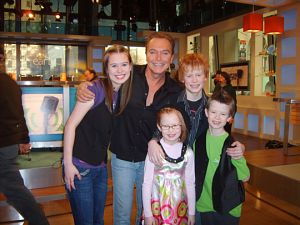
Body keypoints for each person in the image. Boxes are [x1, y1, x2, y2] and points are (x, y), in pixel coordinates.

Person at [76, 32, 244, 225]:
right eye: (153, 52)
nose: (158, 58)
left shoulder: (175, 91)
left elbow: (213, 124)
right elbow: (108, 80)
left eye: (164, 53)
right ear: (146, 54)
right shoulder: (130, 75)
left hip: (156, 159)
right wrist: (86, 85)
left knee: (146, 211)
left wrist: (237, 146)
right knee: (122, 214)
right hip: (123, 155)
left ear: (171, 58)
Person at [63, 44, 133, 225]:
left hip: (100, 168)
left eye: (124, 65)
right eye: (114, 66)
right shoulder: (96, 90)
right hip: (79, 168)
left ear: (131, 67)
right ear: (106, 69)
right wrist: (68, 163)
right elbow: (70, 125)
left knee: (98, 220)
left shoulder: (121, 92)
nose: (120, 70)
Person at [0, 45, 49, 225]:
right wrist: (23, 138)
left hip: (3, 145)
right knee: (15, 189)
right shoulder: (10, 83)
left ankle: (39, 219)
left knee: (15, 190)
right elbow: (19, 113)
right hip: (9, 144)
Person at [194, 89, 250, 225]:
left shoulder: (232, 145)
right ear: (206, 112)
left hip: (228, 208)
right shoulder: (199, 141)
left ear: (229, 118)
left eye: (223, 114)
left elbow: (245, 177)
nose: (217, 118)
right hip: (205, 205)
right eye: (213, 112)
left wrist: (239, 158)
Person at [142, 106, 195, 225]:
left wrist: (191, 212)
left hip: (180, 210)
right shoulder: (154, 152)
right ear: (159, 127)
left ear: (181, 126)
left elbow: (190, 183)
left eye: (175, 125)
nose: (171, 130)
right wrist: (148, 214)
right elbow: (147, 183)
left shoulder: (188, 153)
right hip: (156, 209)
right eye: (166, 126)